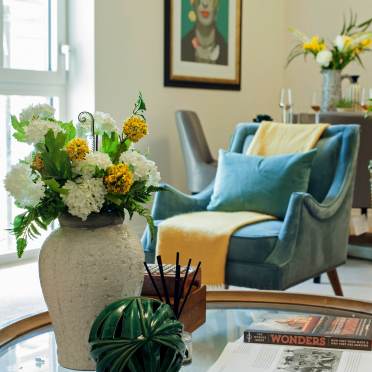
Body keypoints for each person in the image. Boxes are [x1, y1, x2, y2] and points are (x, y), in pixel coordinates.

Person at [182, 0, 228, 65]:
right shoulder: (181, 49)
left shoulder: (227, 52)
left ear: (217, 7)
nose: (205, 3)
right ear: (193, 5)